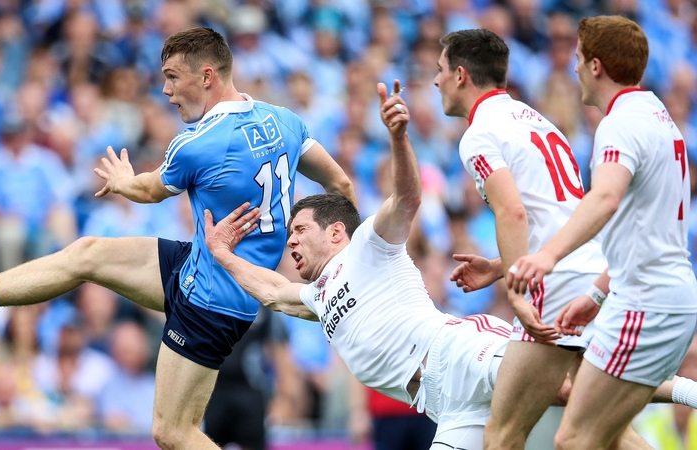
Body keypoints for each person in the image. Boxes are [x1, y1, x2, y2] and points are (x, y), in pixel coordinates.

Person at [0, 26, 355, 450]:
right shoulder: (285, 121)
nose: (166, 91)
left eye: (173, 77)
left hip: (212, 300)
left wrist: (122, 180)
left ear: (207, 75)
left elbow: (148, 191)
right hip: (201, 269)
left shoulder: (198, 141)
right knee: (88, 253)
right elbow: (342, 185)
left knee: (171, 433)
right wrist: (334, 259)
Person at [204, 80, 697, 449]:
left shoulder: (368, 247)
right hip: (441, 403)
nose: (291, 242)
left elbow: (408, 197)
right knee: (579, 407)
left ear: (336, 232)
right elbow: (269, 290)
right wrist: (223, 253)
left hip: (457, 353)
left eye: (300, 231)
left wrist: (398, 136)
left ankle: (683, 390)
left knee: (568, 390)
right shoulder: (314, 294)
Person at [507, 16, 697, 450]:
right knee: (608, 439)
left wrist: (546, 257)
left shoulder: (621, 121)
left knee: (574, 441)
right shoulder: (658, 116)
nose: (573, 68)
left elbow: (605, 197)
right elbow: (646, 230)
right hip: (661, 297)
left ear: (595, 66)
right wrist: (596, 294)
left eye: (577, 58)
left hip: (647, 303)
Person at [434, 29, 611, 449]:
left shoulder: (478, 134)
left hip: (554, 289)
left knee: (502, 433)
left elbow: (512, 210)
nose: (435, 80)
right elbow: (553, 212)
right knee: (607, 433)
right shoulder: (537, 120)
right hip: (593, 274)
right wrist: (498, 267)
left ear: (461, 75)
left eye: (439, 70)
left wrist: (516, 291)